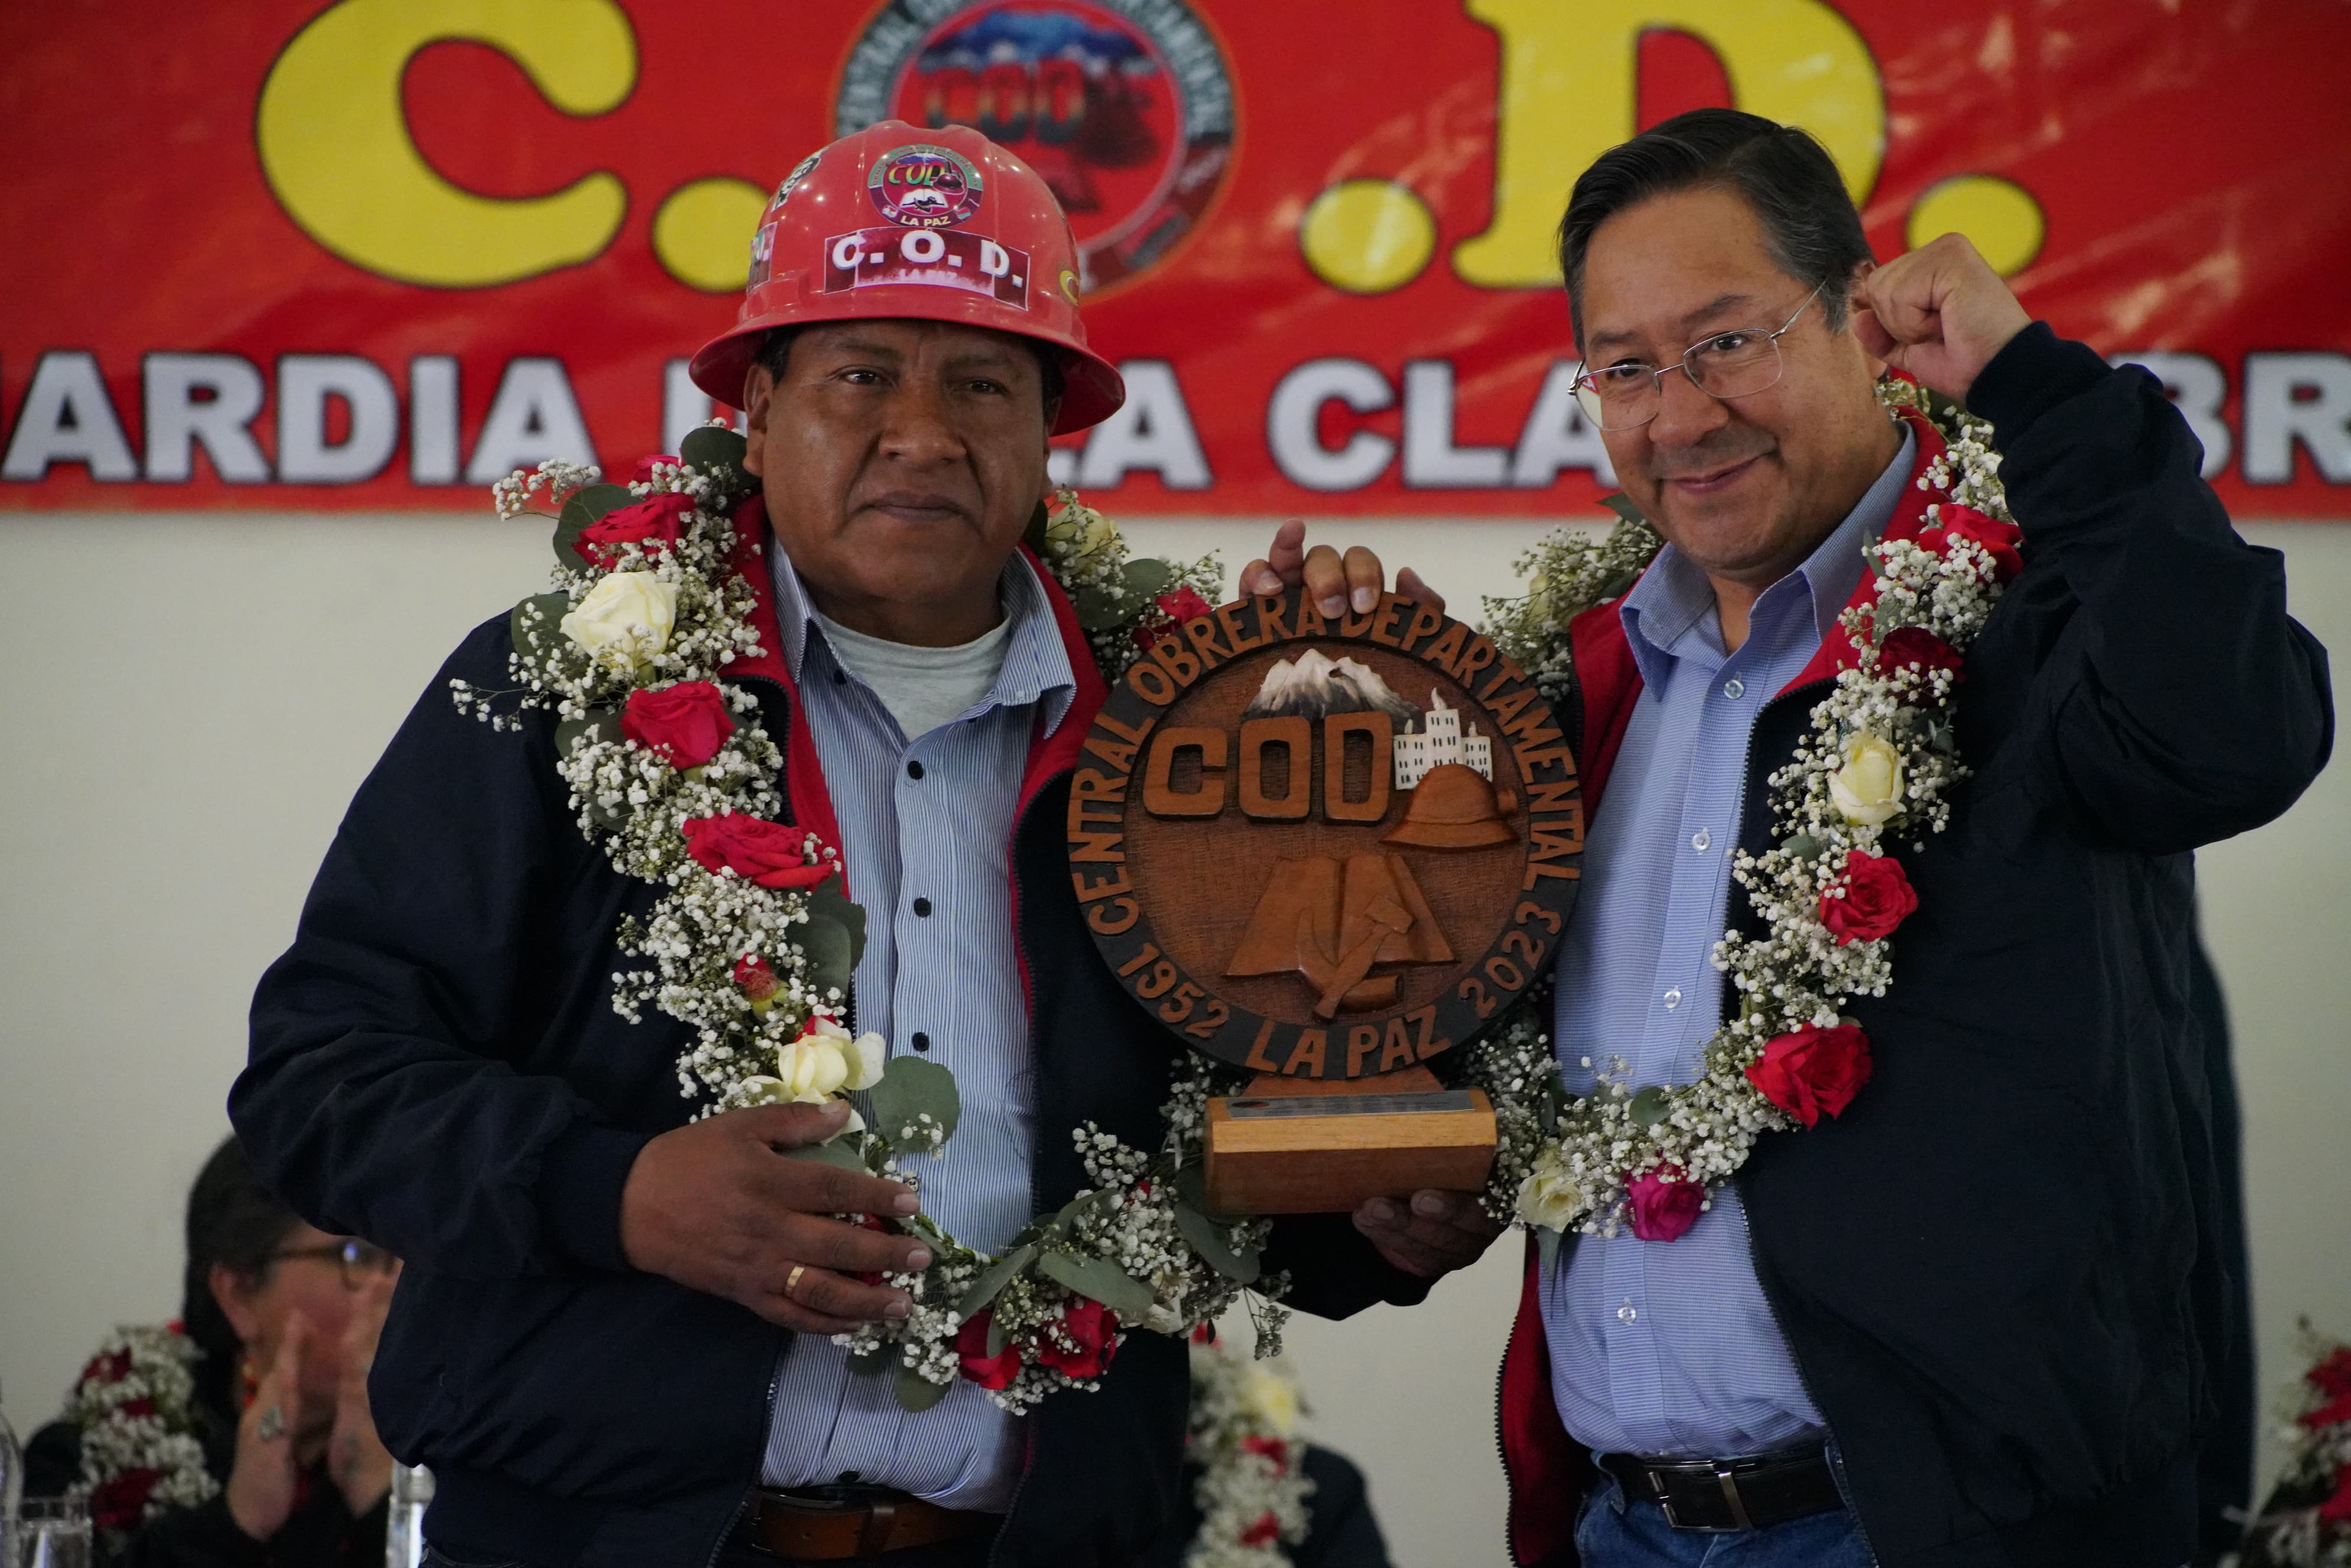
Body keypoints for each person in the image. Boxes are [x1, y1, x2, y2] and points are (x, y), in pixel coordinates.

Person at [229, 121, 1456, 1568]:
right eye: (863, 372)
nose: (924, 433)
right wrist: (615, 1191)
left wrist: (1387, 1214)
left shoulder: (1181, 732)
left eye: (983, 382)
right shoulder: (558, 687)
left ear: (1050, 430)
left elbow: (1241, 1152)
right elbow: (319, 1077)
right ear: (757, 409)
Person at [1454, 109, 2331, 1566]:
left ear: (1862, 315)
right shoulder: (1584, 681)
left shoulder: (2025, 603)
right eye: (1625, 367)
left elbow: (2237, 737)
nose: (1680, 413)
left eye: (1730, 340)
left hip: (1949, 1529)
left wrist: (2038, 386)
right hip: (1624, 1522)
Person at [25, 1136, 396, 1566]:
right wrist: (236, 1520)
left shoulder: (454, 1443)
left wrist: (379, 1499)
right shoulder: (98, 1449)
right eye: (358, 1255)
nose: (397, 1283)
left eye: (407, 1254)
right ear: (239, 1293)